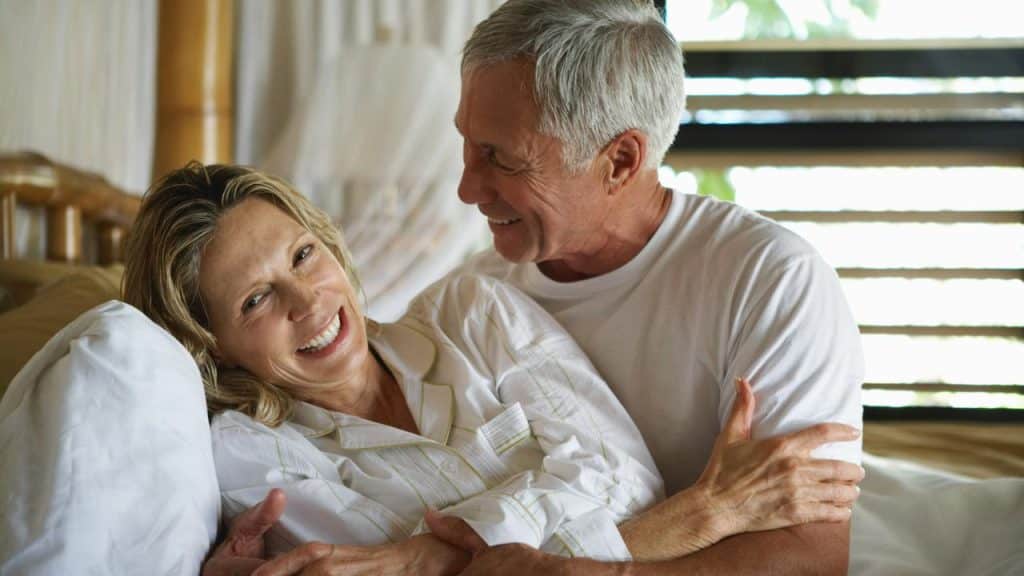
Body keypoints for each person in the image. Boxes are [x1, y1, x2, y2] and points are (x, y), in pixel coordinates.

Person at [122, 163, 862, 576]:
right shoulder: (249, 456)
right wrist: (698, 516)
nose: (305, 302)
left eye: (303, 256)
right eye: (255, 299)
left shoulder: (474, 310)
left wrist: (424, 554)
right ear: (211, 342)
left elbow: (628, 479)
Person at [434, 0, 867, 574]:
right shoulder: (473, 303)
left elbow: (809, 559)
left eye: (499, 158)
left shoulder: (768, 282)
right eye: (467, 143)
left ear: (619, 160)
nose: (468, 189)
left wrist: (582, 570)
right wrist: (701, 514)